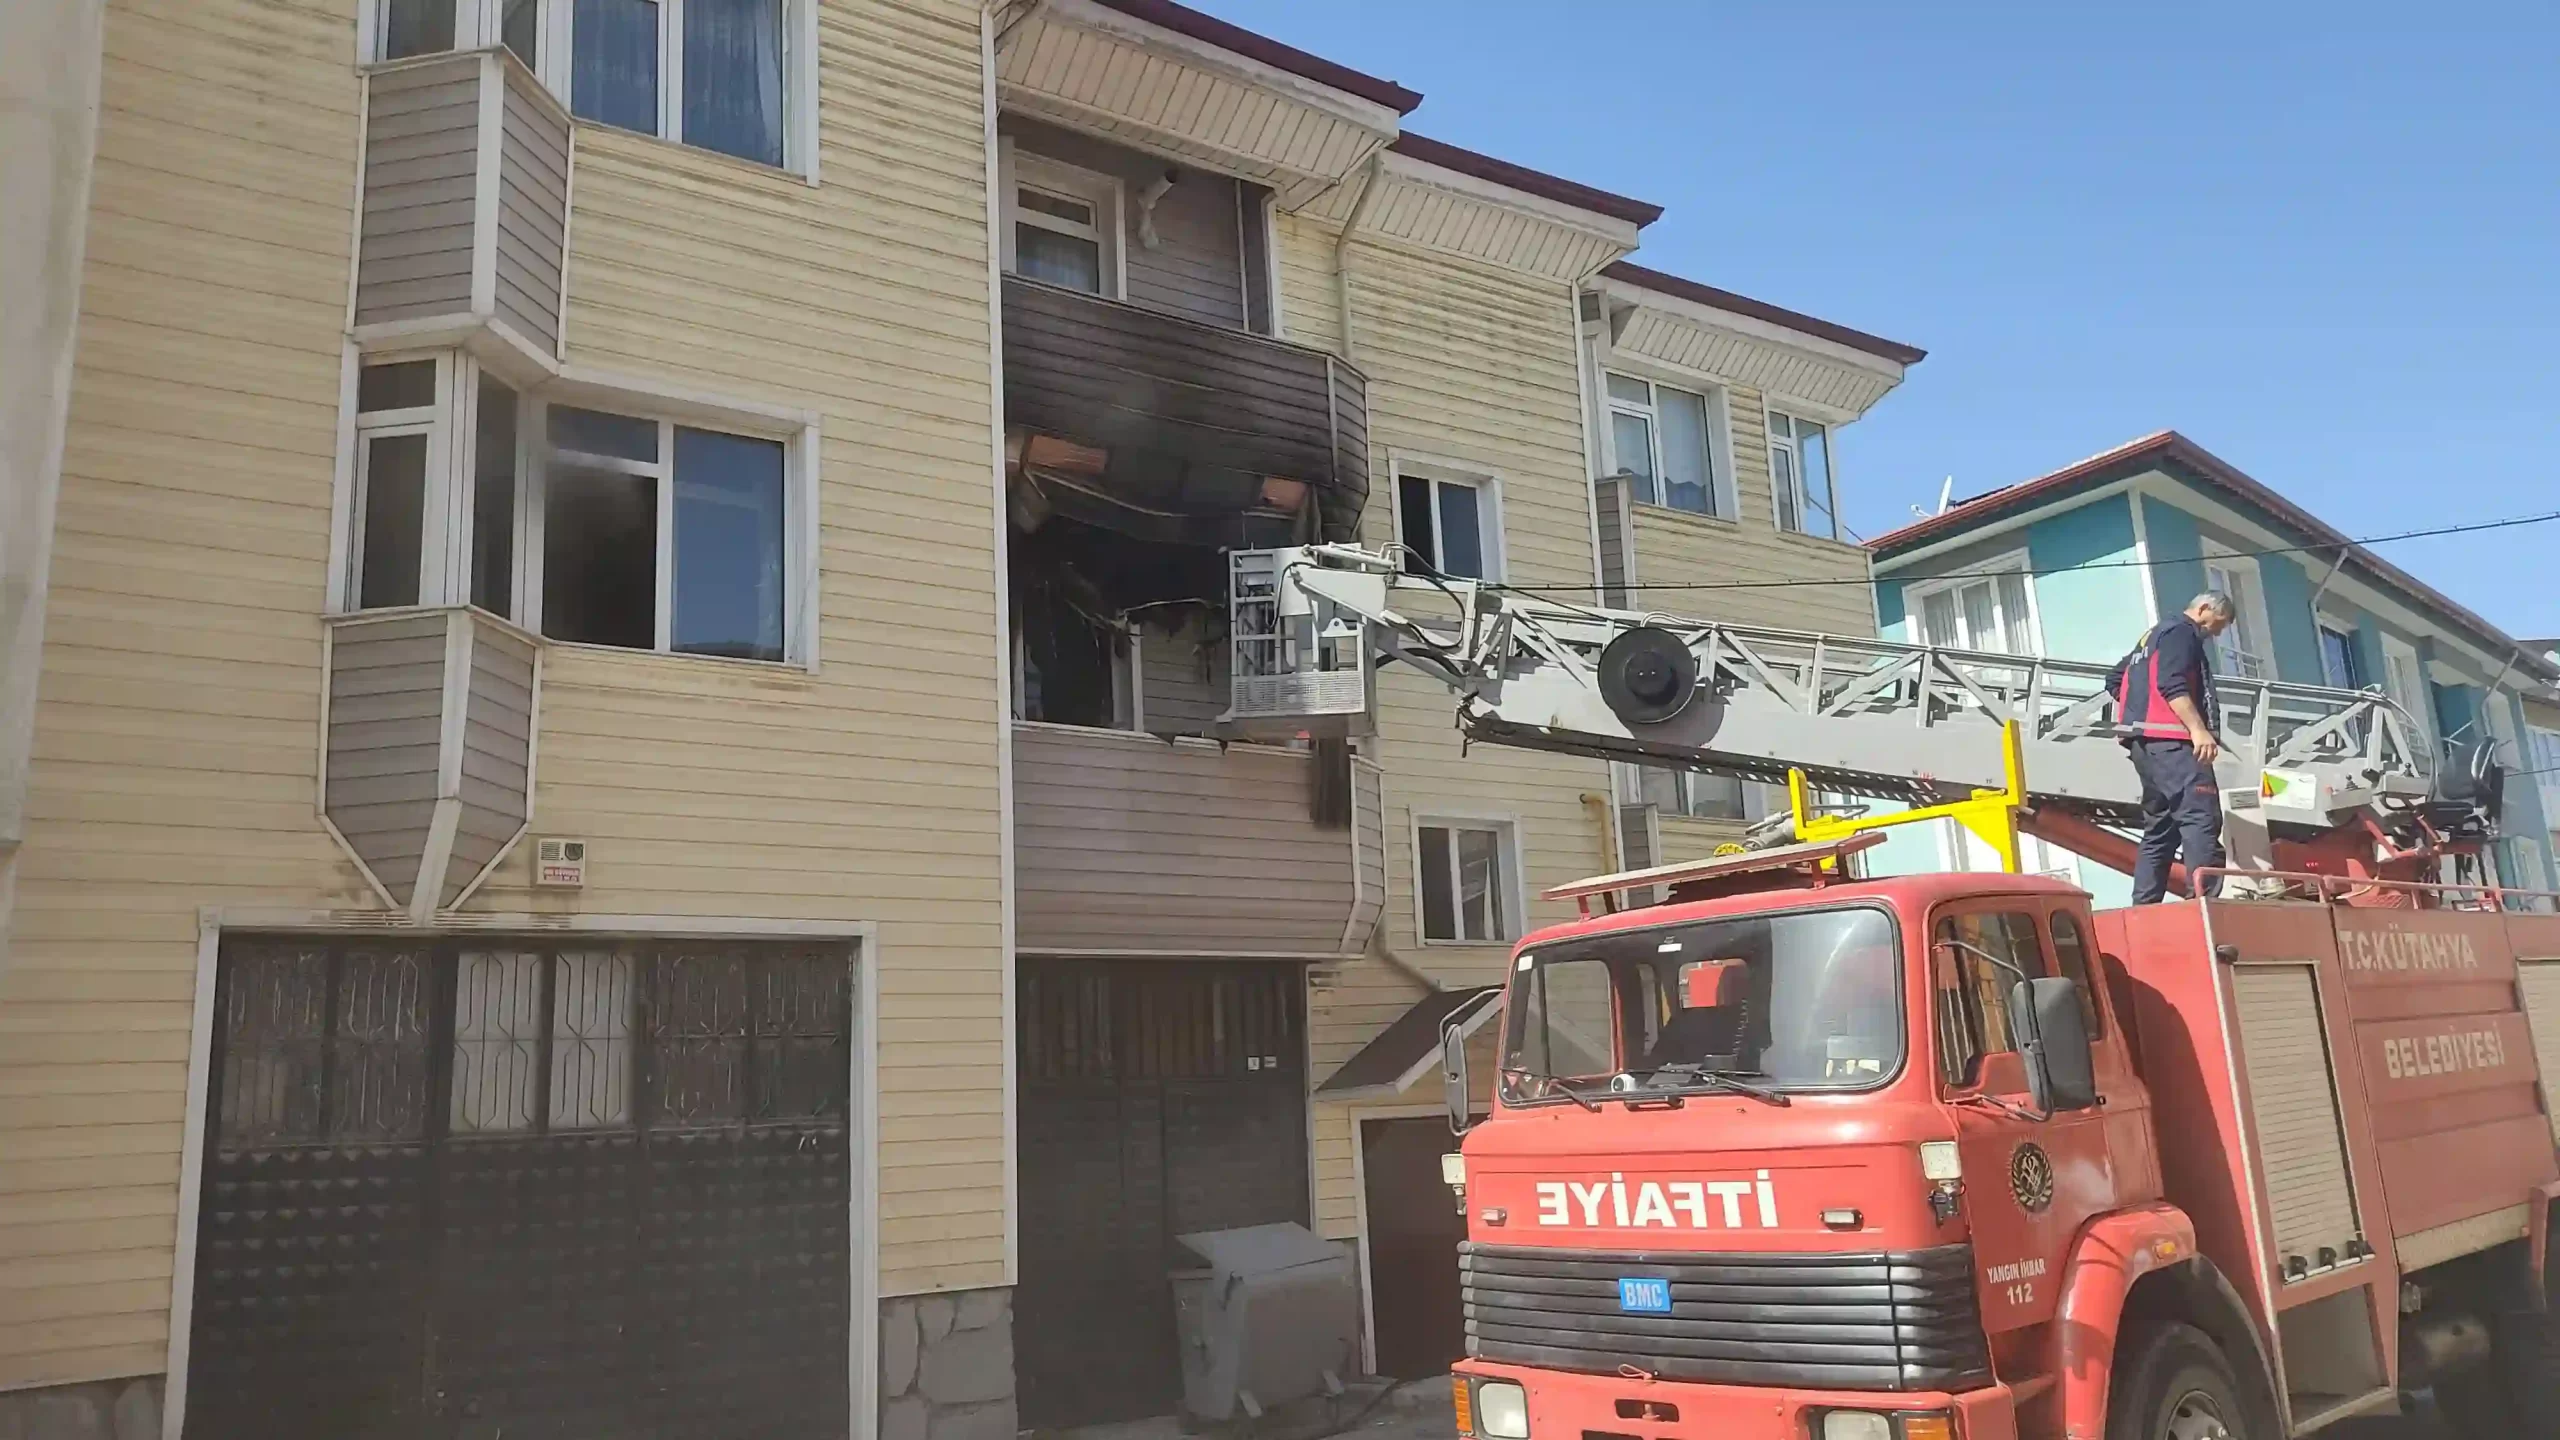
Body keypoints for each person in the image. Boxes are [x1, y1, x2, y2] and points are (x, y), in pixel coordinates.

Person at [2108, 592, 2237, 904]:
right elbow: (2171, 683)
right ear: (2203, 608)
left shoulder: (2153, 636)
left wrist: (2139, 711)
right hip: (2172, 740)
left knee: (2161, 826)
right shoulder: (2182, 632)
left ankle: (2145, 906)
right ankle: (2204, 903)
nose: (2216, 633)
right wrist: (2198, 730)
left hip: (2143, 744)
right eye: (2216, 625)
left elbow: (2114, 679)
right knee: (2200, 816)